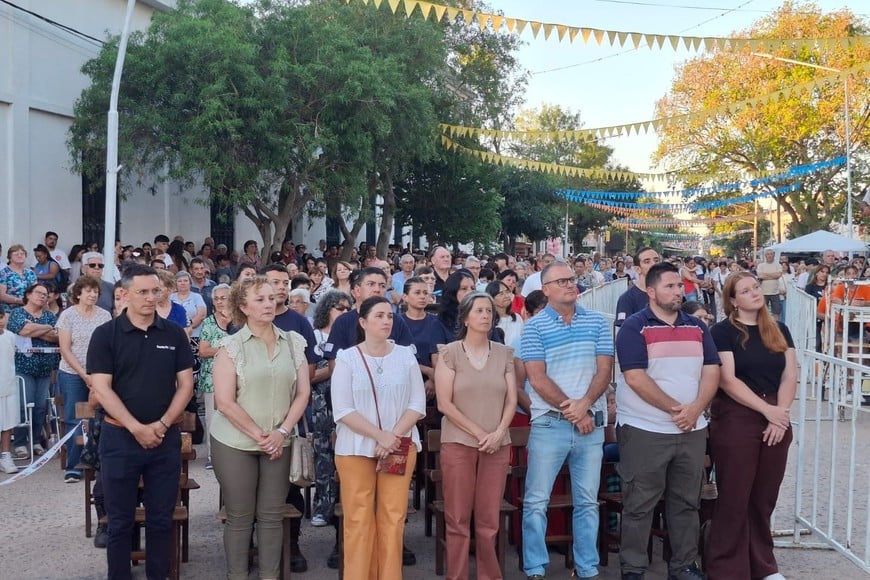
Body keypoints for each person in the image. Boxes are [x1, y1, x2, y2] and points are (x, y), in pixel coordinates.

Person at [87, 264, 194, 580]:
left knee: (161, 520)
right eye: (142, 292)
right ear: (124, 294)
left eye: (155, 291)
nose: (150, 298)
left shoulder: (173, 333)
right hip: (120, 440)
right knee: (119, 522)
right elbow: (101, 389)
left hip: (164, 442)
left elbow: (186, 386)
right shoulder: (106, 335)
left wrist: (160, 426)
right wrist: (136, 428)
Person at [614, 262, 721, 580]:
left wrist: (697, 407)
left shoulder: (697, 327)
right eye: (670, 286)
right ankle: (633, 568)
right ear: (650, 291)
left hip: (691, 430)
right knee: (639, 504)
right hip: (645, 429)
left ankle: (684, 565)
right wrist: (679, 409)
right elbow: (634, 377)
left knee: (686, 502)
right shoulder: (635, 327)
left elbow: (711, 369)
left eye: (680, 286)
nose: (678, 292)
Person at [209, 276, 311, 580]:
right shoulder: (230, 347)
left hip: (279, 439)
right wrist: (260, 435)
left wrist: (280, 433)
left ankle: (270, 576)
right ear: (244, 306)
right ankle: (237, 575)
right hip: (234, 442)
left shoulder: (294, 342)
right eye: (260, 299)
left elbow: (303, 393)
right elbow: (224, 402)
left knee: (271, 515)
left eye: (271, 298)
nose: (269, 303)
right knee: (240, 516)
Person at [520, 261, 614, 580]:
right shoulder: (533, 327)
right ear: (545, 290)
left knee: (587, 502)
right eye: (560, 281)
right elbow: (536, 377)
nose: (570, 284)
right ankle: (535, 568)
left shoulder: (598, 323)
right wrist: (573, 410)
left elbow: (605, 371)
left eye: (572, 279)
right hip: (550, 424)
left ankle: (586, 568)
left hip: (590, 424)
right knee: (536, 501)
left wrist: (585, 407)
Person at [704, 272, 795, 580]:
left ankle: (764, 565)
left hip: (776, 416)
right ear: (732, 300)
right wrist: (767, 411)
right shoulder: (723, 331)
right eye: (745, 290)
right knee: (734, 495)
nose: (755, 293)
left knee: (764, 496)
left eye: (756, 287)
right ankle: (727, 567)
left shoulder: (779, 329)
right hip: (737, 416)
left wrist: (779, 415)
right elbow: (728, 380)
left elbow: (790, 375)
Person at [331, 296, 426, 579]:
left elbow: (417, 404)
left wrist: (392, 438)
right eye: (379, 316)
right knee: (358, 519)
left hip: (399, 446)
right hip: (355, 448)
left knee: (393, 518)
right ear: (363, 322)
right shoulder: (347, 358)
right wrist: (379, 436)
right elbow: (343, 409)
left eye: (390, 316)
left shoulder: (405, 355)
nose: (386, 321)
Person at [434, 292, 517, 580]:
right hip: (459, 442)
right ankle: (456, 575)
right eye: (479, 310)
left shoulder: (505, 353)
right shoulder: (449, 353)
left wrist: (498, 433)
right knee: (457, 517)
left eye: (489, 311)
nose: (485, 315)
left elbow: (511, 399)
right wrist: (480, 432)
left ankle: (489, 575)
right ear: (466, 317)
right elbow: (444, 403)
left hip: (497, 443)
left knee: (489, 519)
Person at [57, 276, 111, 482]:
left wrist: (96, 375)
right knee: (74, 417)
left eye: (95, 291)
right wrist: (83, 374)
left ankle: (96, 463)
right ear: (78, 294)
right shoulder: (67, 316)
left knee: (98, 418)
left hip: (99, 373)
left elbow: (108, 347)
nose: (93, 294)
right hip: (72, 373)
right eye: (88, 291)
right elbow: (65, 348)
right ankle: (74, 466)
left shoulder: (104, 315)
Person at [309, 290, 353, 529]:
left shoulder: (352, 334)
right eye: (339, 308)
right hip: (322, 405)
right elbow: (310, 375)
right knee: (324, 456)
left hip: (349, 404)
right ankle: (322, 507)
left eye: (348, 309)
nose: (344, 312)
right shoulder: (315, 336)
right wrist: (335, 368)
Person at [8, 283, 60, 458]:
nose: (42, 296)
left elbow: (55, 336)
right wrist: (45, 328)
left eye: (45, 294)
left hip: (45, 368)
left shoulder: (49, 315)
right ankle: (21, 442)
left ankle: (36, 440)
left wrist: (36, 329)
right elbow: (22, 330)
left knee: (40, 407)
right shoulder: (17, 313)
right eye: (38, 293)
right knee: (24, 404)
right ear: (28, 295)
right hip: (23, 367)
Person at [197, 283, 232, 469]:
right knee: (213, 418)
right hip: (212, 378)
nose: (219, 302)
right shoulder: (209, 322)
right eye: (216, 298)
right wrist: (227, 350)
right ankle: (213, 456)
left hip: (235, 377)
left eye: (223, 298)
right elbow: (203, 350)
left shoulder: (239, 320)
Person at [399, 277, 452, 400]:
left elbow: (444, 354)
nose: (423, 296)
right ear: (405, 297)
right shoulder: (397, 322)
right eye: (417, 293)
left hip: (437, 385)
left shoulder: (437, 322)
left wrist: (434, 380)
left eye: (425, 293)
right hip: (405, 383)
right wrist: (428, 371)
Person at [614, 247, 661, 328]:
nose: (653, 264)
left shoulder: (667, 295)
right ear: (637, 269)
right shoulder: (627, 299)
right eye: (647, 261)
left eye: (656, 260)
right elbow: (626, 333)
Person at [0, 309, 19, 474]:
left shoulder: (10, 336)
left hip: (8, 385)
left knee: (7, 425)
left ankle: (6, 455)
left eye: (1, 317)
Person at [486, 279, 524, 347]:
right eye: (501, 294)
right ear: (491, 298)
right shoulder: (488, 320)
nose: (506, 296)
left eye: (507, 292)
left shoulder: (517, 317)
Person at [0, 244, 38, 312]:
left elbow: (36, 291)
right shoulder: (4, 273)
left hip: (29, 309)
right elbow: (2, 295)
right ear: (10, 258)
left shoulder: (31, 273)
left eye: (22, 254)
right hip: (9, 310)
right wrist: (20, 301)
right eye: (16, 254)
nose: (20, 256)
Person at [756, 249, 783, 319]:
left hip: (775, 292)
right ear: (765, 256)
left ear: (773, 255)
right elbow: (760, 276)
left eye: (771, 254)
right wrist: (773, 275)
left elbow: (778, 275)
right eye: (768, 254)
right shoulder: (761, 265)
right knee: (763, 312)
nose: (769, 255)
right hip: (763, 292)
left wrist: (765, 275)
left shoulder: (778, 265)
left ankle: (777, 326)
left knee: (776, 312)